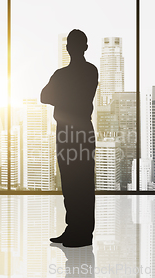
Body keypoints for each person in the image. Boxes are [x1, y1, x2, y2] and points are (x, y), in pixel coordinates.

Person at [41, 29, 98, 247]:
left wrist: (61, 95)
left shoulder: (61, 75)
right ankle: (74, 229)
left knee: (76, 182)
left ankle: (82, 234)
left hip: (69, 132)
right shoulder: (90, 71)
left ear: (68, 48)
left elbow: (46, 96)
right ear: (85, 46)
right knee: (76, 182)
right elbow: (44, 97)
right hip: (81, 130)